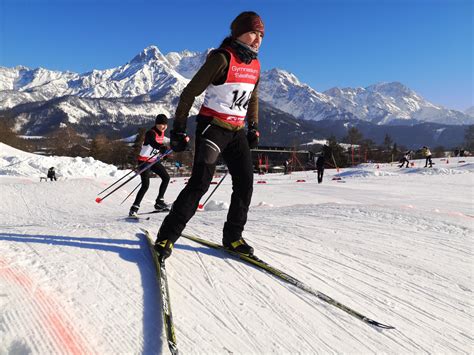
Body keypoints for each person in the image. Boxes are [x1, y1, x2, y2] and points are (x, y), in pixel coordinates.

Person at [154, 11, 265, 259]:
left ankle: (233, 238)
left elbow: (253, 96)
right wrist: (179, 128)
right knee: (200, 183)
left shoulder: (255, 65)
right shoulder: (222, 59)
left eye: (261, 35)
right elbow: (189, 93)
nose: (257, 39)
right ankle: (166, 237)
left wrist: (253, 126)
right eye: (252, 33)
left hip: (236, 131)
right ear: (238, 33)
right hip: (212, 127)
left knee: (245, 183)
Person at [129, 114, 171, 217]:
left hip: (153, 160)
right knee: (145, 185)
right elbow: (153, 143)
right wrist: (161, 147)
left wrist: (163, 154)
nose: (163, 126)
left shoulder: (162, 133)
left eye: (165, 124)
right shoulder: (150, 133)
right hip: (143, 161)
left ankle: (159, 202)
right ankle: (134, 208)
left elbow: (157, 149)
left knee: (166, 178)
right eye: (161, 124)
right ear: (156, 124)